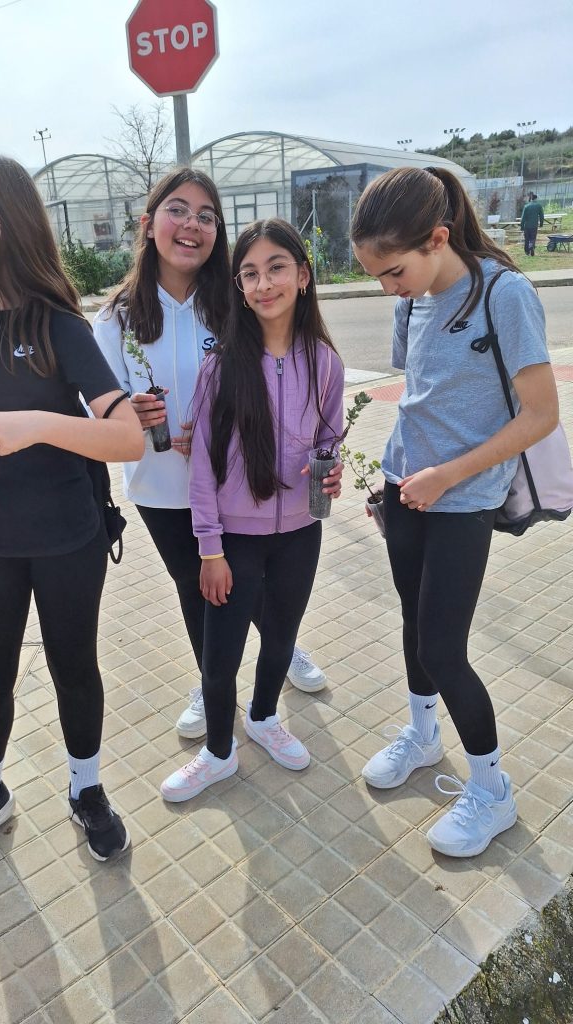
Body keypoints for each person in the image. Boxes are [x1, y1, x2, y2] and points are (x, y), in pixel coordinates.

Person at [0, 155, 144, 867]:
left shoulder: (58, 327)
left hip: (68, 539)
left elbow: (127, 436)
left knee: (75, 667)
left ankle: (86, 788)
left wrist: (37, 424)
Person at [350, 166, 558, 857]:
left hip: (463, 497)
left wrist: (448, 474)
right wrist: (402, 476)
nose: (388, 288)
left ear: (437, 238)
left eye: (394, 271)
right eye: (377, 276)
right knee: (414, 624)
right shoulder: (412, 302)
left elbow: (541, 415)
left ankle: (492, 792)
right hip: (405, 486)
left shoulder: (505, 293)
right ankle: (422, 734)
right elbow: (422, 392)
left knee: (443, 648)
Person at [94, 170, 339, 743]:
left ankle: (281, 644)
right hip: (162, 485)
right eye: (178, 211)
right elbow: (95, 406)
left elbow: (283, 376)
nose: (193, 225)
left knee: (253, 583)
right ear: (148, 224)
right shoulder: (117, 317)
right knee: (198, 585)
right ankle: (211, 686)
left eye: (207, 216)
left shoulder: (232, 301)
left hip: (237, 484)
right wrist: (129, 412)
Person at [160, 218, 345, 802]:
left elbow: (329, 438)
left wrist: (331, 471)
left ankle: (264, 718)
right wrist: (210, 549)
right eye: (249, 274)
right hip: (234, 541)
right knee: (220, 658)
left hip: (301, 534)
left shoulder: (325, 362)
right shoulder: (222, 366)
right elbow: (203, 467)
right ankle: (219, 753)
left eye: (276, 268)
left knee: (282, 640)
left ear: (303, 276)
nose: (264, 284)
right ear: (239, 288)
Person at [520, 192, 544, 256]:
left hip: (527, 226)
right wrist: (541, 224)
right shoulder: (539, 206)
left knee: (527, 239)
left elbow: (523, 218)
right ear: (536, 198)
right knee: (533, 238)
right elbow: (541, 216)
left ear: (531, 199)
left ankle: (527, 251)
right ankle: (531, 247)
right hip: (534, 225)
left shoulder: (526, 206)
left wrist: (522, 226)